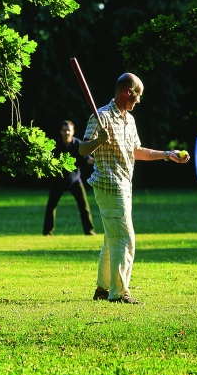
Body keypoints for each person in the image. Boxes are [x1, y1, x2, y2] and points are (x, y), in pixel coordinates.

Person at [80, 73, 190, 304]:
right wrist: (99, 140)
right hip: (109, 185)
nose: (139, 100)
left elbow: (136, 151)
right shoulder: (101, 116)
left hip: (124, 185)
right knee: (125, 239)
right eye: (137, 95)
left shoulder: (129, 120)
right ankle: (119, 293)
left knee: (112, 239)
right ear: (127, 92)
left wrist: (167, 154)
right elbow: (83, 149)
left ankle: (102, 289)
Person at [43, 120, 97, 236]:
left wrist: (97, 161)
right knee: (51, 206)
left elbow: (87, 159)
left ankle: (89, 231)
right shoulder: (55, 145)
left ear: (73, 131)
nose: (66, 132)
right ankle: (47, 232)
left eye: (69, 130)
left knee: (84, 206)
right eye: (64, 130)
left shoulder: (78, 144)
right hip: (58, 180)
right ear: (60, 132)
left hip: (74, 180)